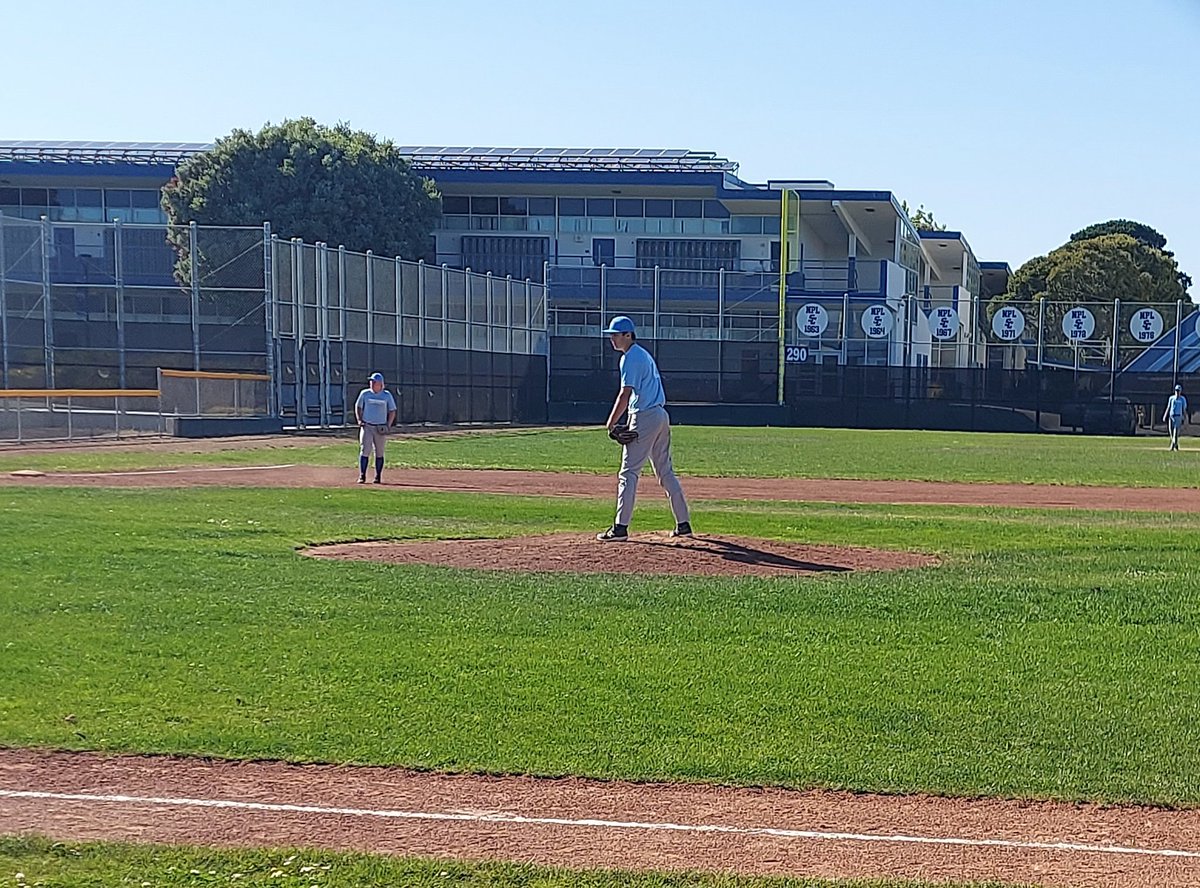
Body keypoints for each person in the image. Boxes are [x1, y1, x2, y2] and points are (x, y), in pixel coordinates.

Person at [597, 316, 692, 542]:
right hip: (660, 415)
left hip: (644, 416)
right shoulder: (643, 354)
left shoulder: (630, 358)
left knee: (628, 473)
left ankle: (620, 528)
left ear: (628, 335)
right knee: (665, 472)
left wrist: (610, 424)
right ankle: (683, 523)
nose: (612, 338)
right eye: (611, 334)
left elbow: (625, 393)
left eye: (616, 334)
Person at [354, 372, 397, 483]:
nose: (372, 383)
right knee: (365, 450)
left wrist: (388, 424)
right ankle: (362, 475)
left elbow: (392, 410)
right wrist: (359, 419)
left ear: (380, 384)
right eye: (371, 381)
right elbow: (358, 407)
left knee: (379, 452)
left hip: (380, 427)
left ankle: (378, 476)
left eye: (374, 382)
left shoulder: (386, 395)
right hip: (367, 426)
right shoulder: (365, 394)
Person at [1163, 383, 1188, 451]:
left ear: (1180, 391)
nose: (1177, 392)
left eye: (1178, 391)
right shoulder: (1171, 398)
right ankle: (1176, 445)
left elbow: (1184, 409)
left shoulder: (1182, 399)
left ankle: (1172, 446)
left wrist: (1186, 418)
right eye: (1176, 390)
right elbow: (1168, 407)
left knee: (1175, 432)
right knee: (1171, 432)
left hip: (1178, 417)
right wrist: (1165, 415)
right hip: (1171, 416)